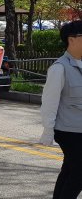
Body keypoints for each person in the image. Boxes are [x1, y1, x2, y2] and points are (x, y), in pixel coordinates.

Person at [40, 20, 82, 199]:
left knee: (70, 170)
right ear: (71, 40)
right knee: (79, 174)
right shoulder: (59, 68)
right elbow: (49, 103)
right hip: (69, 132)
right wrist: (48, 130)